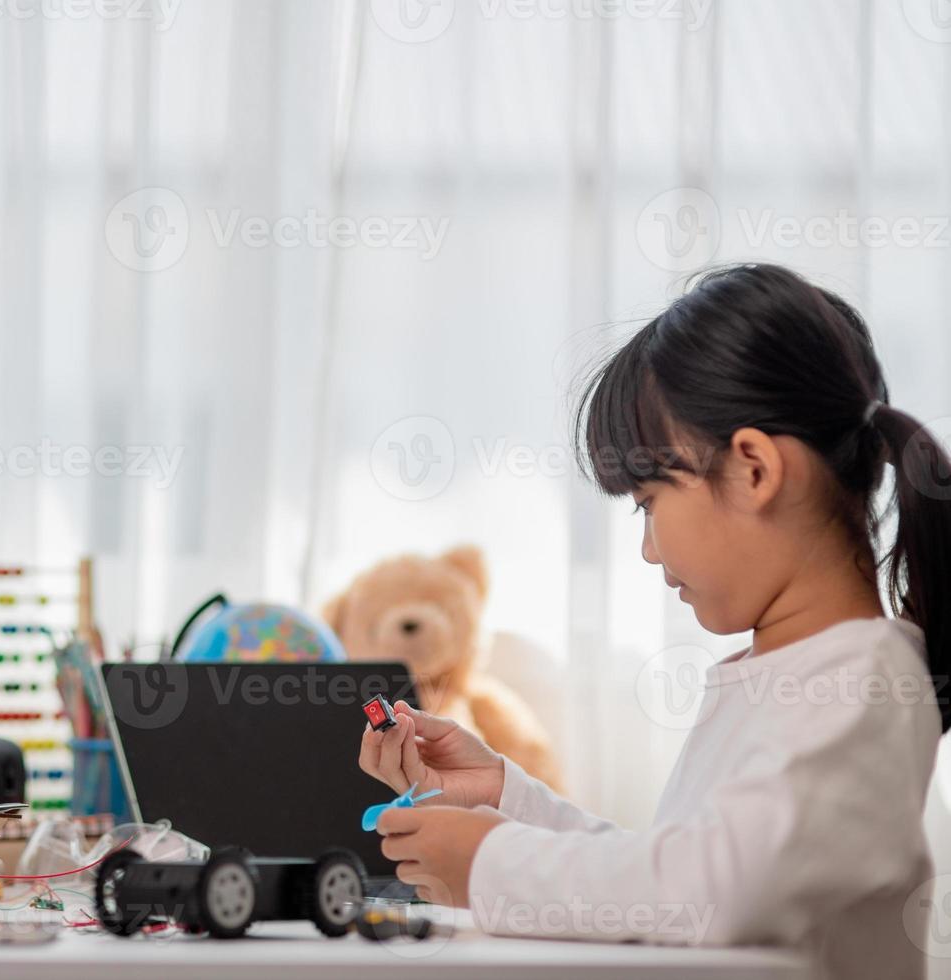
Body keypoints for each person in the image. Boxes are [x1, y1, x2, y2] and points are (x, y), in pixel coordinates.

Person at [360, 264, 949, 979]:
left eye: (648, 501)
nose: (646, 548)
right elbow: (669, 873)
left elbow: (704, 890)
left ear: (754, 470)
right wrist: (504, 797)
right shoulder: (792, 675)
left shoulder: (864, 679)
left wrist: (488, 861)